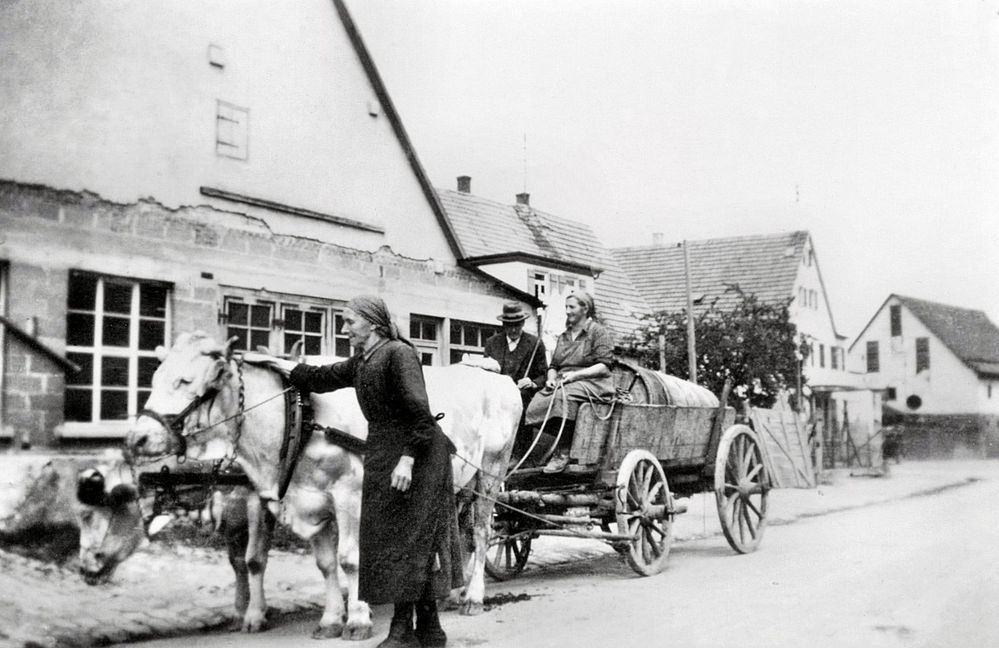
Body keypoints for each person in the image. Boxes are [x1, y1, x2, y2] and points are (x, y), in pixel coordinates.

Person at [256, 296, 461, 648]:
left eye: (350, 321)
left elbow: (421, 415)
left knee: (410, 542)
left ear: (374, 324)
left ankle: (403, 630)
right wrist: (274, 364)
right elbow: (322, 377)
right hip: (384, 454)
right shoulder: (364, 361)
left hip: (417, 456)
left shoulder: (399, 354)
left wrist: (408, 460)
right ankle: (430, 629)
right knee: (395, 542)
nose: (344, 328)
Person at [524, 291, 616, 473]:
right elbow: (554, 365)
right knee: (535, 404)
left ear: (585, 309)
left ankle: (563, 452)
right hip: (563, 381)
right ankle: (566, 439)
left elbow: (604, 367)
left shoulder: (598, 332)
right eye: (566, 307)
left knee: (561, 398)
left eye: (571, 307)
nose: (567, 311)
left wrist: (576, 376)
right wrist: (550, 379)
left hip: (593, 381)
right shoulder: (564, 336)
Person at [483, 302, 549, 411]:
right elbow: (485, 373)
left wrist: (532, 383)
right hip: (496, 399)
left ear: (523, 323)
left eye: (517, 325)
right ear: (503, 324)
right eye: (509, 325)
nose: (513, 330)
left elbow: (543, 374)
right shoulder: (492, 343)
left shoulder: (535, 343)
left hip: (523, 401)